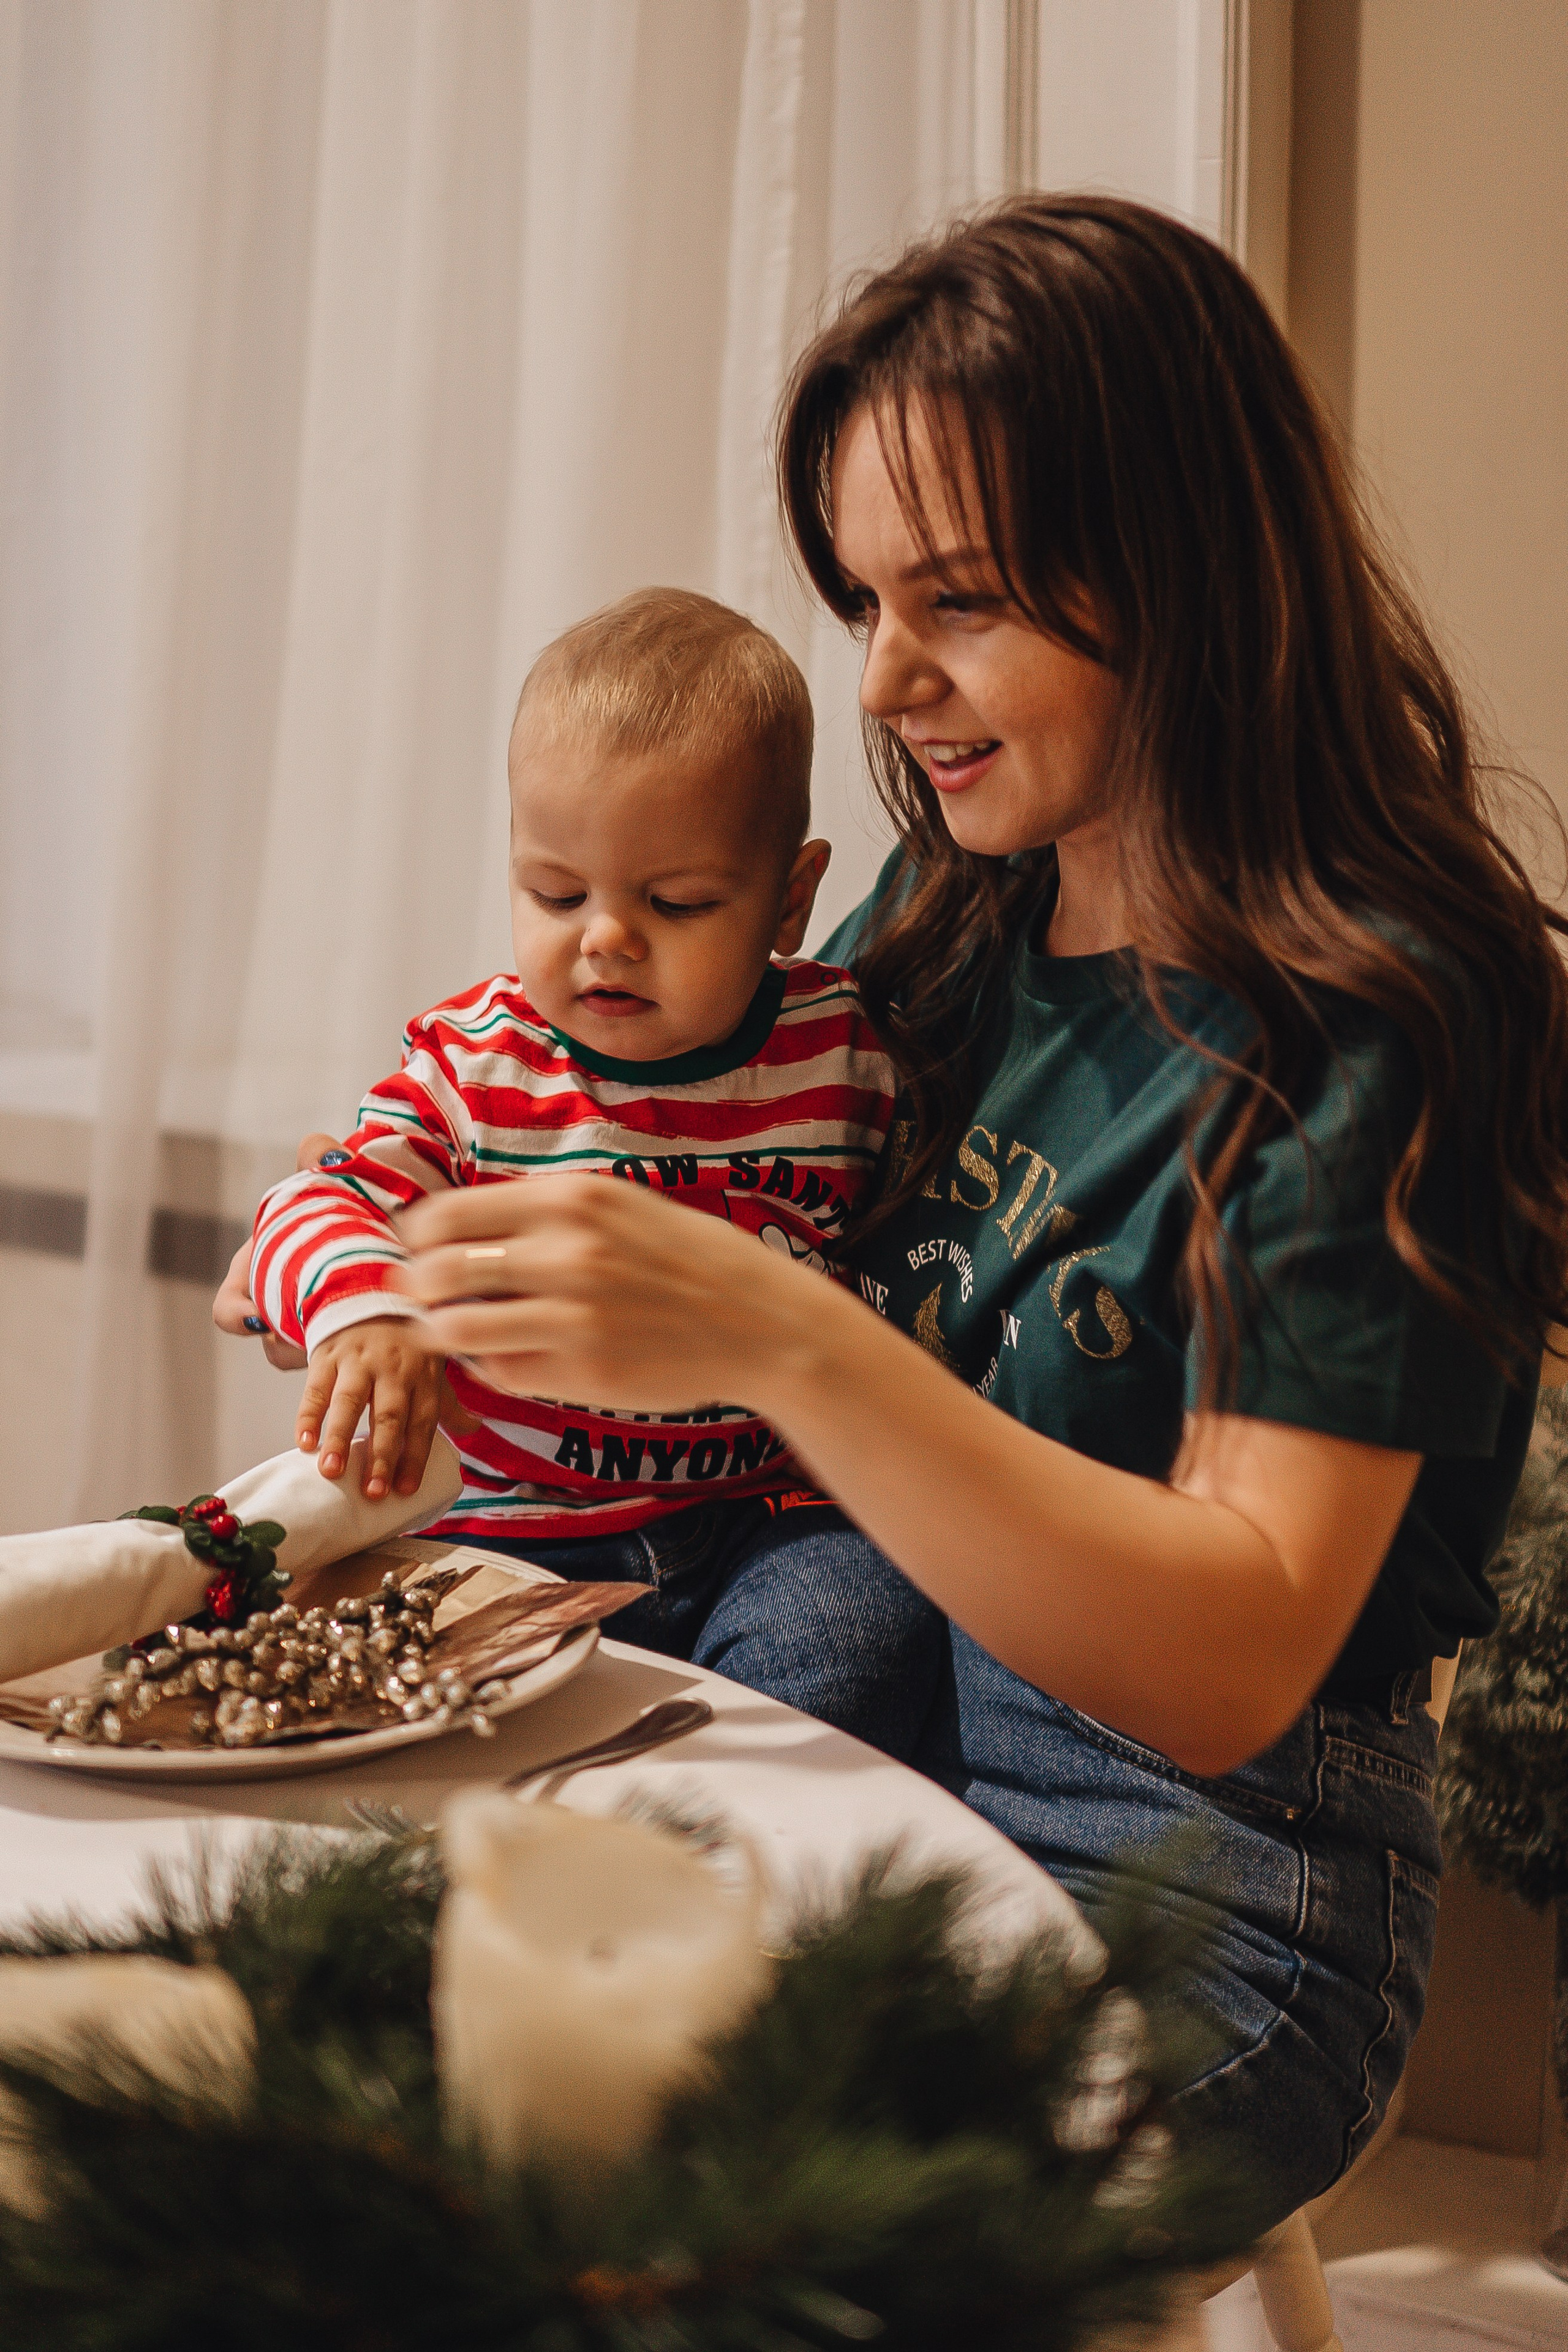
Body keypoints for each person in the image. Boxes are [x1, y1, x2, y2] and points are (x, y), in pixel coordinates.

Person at [378, 198, 1568, 2226]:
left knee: (649, 2210)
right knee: (379, 2068)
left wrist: (774, 1334)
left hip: (1210, 1879)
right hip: (867, 1748)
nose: (890, 675)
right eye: (865, 598)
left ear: (1184, 564)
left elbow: (1237, 1663)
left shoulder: (1384, 1009)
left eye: (966, 599)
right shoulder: (956, 900)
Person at [230, 588, 945, 1750]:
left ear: (791, 900)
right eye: (556, 894)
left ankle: (723, 1832)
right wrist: (366, 1311)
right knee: (417, 1702)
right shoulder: (476, 1062)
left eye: (677, 903)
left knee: (864, 1634)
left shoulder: (850, 1053)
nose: (605, 937)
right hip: (514, 1520)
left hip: (766, 1517)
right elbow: (315, 1199)